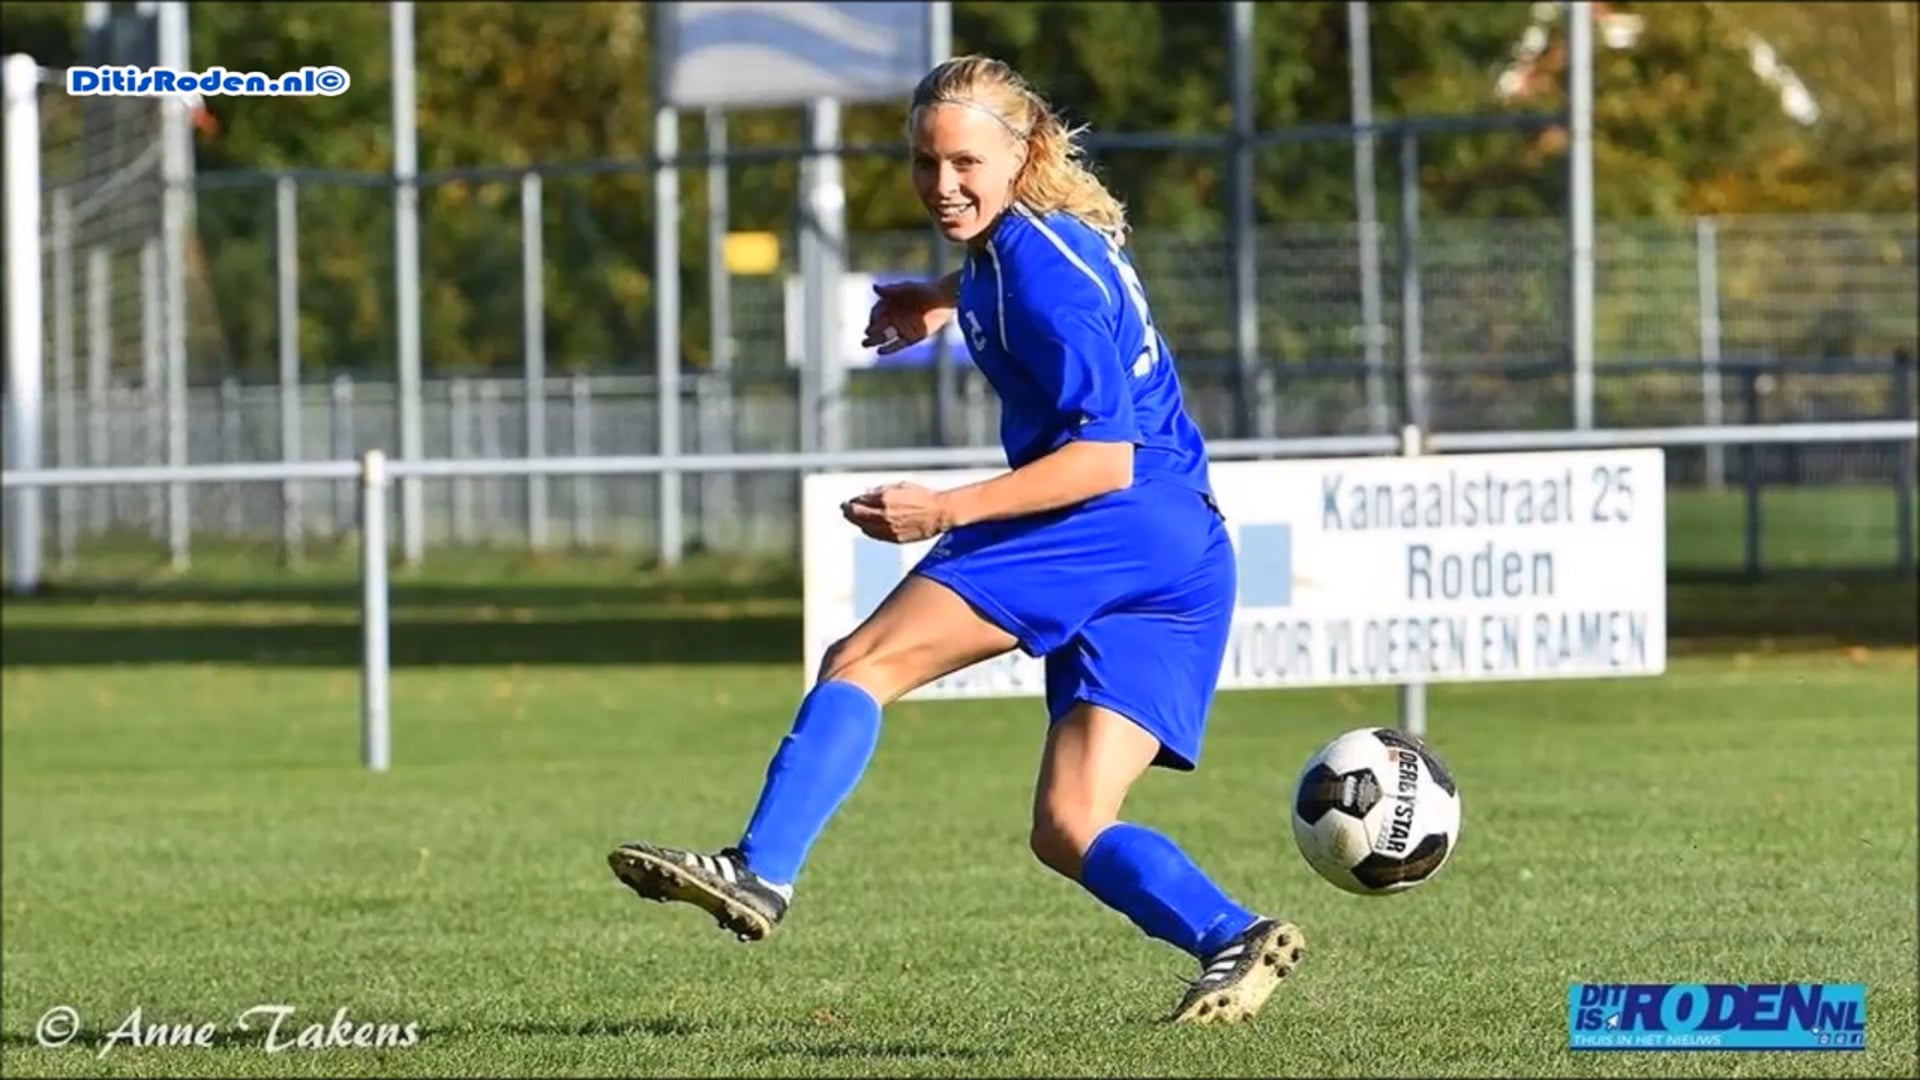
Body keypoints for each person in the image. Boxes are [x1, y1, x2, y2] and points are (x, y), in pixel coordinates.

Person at [609, 55, 1303, 1026]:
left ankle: (759, 871)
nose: (944, 185)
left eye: (966, 163)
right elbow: (1024, 287)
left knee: (862, 660)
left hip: (1111, 516)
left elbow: (1102, 461)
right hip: (1186, 550)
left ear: (1023, 153)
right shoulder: (1033, 241)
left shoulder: (1037, 273)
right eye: (926, 164)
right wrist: (939, 296)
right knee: (1068, 826)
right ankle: (1233, 936)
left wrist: (946, 509)